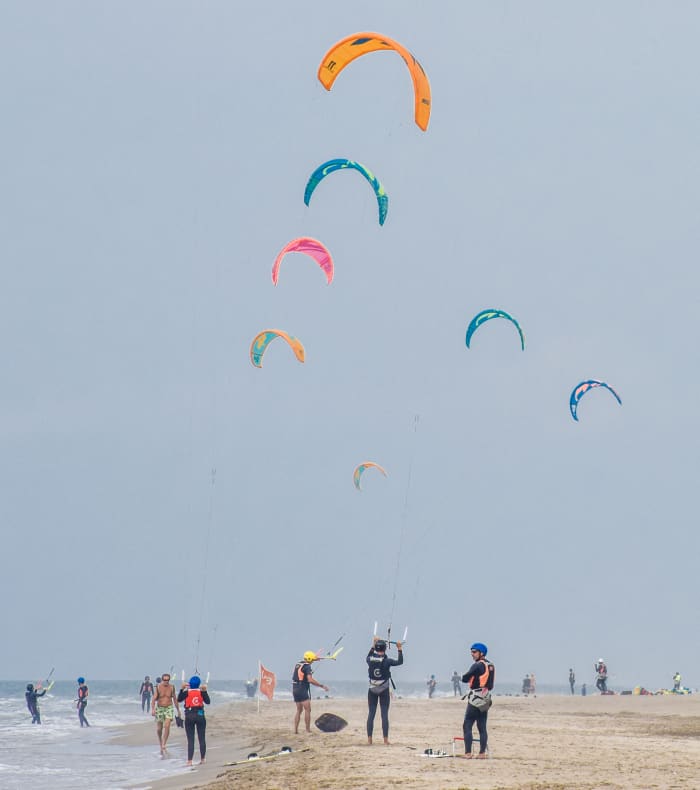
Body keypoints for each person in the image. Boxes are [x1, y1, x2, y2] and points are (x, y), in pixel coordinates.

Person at [459, 642, 495, 759]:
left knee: (467, 724)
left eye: (474, 652)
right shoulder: (490, 665)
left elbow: (465, 678)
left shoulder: (477, 665)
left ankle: (468, 753)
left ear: (481, 653)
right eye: (471, 652)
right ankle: (482, 753)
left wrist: (463, 677)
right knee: (482, 726)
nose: (472, 654)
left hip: (476, 698)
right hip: (486, 698)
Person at [366, 637, 404, 745]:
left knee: (371, 714)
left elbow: (369, 655)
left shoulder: (369, 659)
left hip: (372, 689)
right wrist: (399, 648)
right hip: (383, 690)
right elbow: (400, 662)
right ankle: (385, 740)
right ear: (385, 649)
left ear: (376, 648)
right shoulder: (387, 661)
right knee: (384, 715)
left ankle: (369, 740)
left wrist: (373, 644)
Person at [177, 675, 210, 766]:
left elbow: (179, 699)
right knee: (201, 738)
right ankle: (202, 759)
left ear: (189, 684)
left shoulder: (186, 692)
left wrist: (181, 689)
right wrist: (205, 691)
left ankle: (189, 761)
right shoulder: (201, 692)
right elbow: (208, 702)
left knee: (190, 739)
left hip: (190, 716)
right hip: (200, 715)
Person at [292, 651, 328, 734]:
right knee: (308, 710)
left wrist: (316, 659)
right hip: (301, 689)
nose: (313, 661)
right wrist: (321, 686)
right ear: (310, 659)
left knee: (299, 710)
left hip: (295, 688)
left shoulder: (298, 664)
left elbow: (303, 670)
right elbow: (310, 680)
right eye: (312, 659)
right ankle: (308, 730)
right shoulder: (307, 666)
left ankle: (295, 730)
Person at [152, 672, 181, 755]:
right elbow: (154, 699)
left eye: (167, 680)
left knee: (167, 725)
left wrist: (178, 710)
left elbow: (174, 699)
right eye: (164, 680)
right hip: (160, 708)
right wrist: (153, 709)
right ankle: (160, 742)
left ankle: (164, 743)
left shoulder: (172, 687)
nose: (166, 681)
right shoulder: (158, 687)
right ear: (162, 680)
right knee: (159, 729)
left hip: (169, 707)